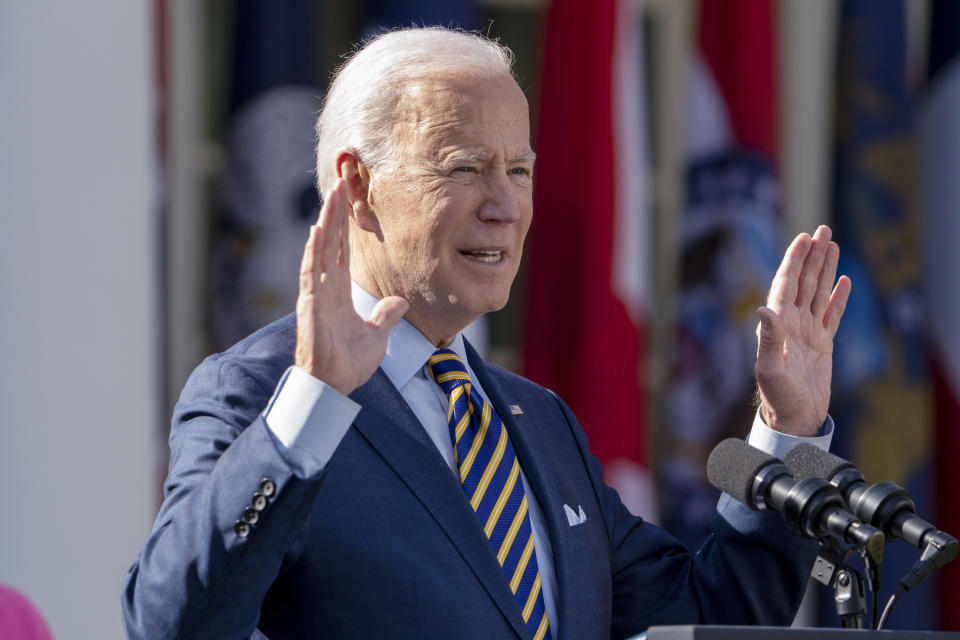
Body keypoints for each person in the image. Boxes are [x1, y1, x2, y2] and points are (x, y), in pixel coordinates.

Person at [122, 27, 850, 639]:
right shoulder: (261, 393)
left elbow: (712, 612)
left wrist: (791, 430)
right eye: (465, 168)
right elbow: (172, 620)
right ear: (358, 187)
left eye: (520, 170)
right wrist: (311, 401)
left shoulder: (541, 424)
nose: (504, 205)